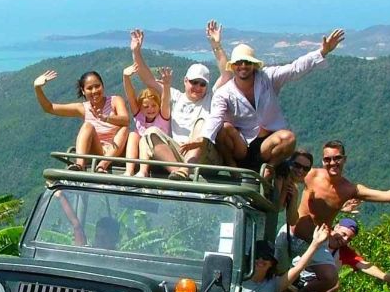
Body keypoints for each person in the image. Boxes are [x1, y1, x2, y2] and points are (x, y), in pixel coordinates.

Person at [277, 139, 390, 292]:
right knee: (274, 275)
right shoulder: (311, 175)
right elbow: (290, 172)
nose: (332, 163)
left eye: (337, 158)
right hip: (291, 233)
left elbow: (387, 196)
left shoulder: (349, 189)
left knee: (330, 278)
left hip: (315, 242)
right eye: (327, 159)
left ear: (344, 159)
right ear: (323, 161)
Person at [203, 29, 345, 170]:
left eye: (247, 62)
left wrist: (323, 51)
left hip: (268, 145)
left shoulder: (268, 77)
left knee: (288, 138)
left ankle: (269, 168)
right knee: (223, 128)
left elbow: (295, 69)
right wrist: (203, 139)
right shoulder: (224, 93)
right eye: (239, 63)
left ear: (254, 65)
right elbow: (216, 117)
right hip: (241, 145)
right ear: (233, 66)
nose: (243, 66)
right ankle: (232, 166)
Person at [129, 22, 231, 179]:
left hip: (205, 157)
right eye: (193, 82)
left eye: (202, 84)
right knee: (151, 133)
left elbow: (226, 74)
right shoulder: (175, 97)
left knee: (202, 123)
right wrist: (136, 52)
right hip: (178, 153)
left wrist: (216, 44)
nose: (197, 87)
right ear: (185, 81)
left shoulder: (211, 98)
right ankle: (178, 171)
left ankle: (184, 170)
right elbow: (148, 79)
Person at [299, 217, 390, 292]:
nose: (344, 239)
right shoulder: (318, 236)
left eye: (348, 239)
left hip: (313, 286)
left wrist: (384, 276)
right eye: (343, 234)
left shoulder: (344, 252)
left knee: (335, 284)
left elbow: (365, 265)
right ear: (336, 227)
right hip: (296, 273)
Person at [34, 69, 130, 173]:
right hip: (96, 149)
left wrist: (106, 118)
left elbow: (125, 120)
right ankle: (79, 165)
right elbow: (49, 108)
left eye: (97, 86)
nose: (94, 91)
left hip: (115, 151)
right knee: (87, 126)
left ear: (103, 86)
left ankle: (103, 165)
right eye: (89, 88)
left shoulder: (115, 101)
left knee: (124, 129)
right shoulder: (83, 108)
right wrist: (37, 88)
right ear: (83, 91)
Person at [122, 63, 171, 177]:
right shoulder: (140, 116)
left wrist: (167, 86)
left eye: (154, 105)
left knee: (146, 137)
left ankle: (143, 172)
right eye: (146, 106)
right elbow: (131, 97)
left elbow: (165, 100)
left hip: (160, 153)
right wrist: (126, 77)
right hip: (141, 153)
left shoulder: (162, 116)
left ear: (158, 106)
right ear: (141, 108)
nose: (150, 109)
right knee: (133, 135)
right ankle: (129, 171)